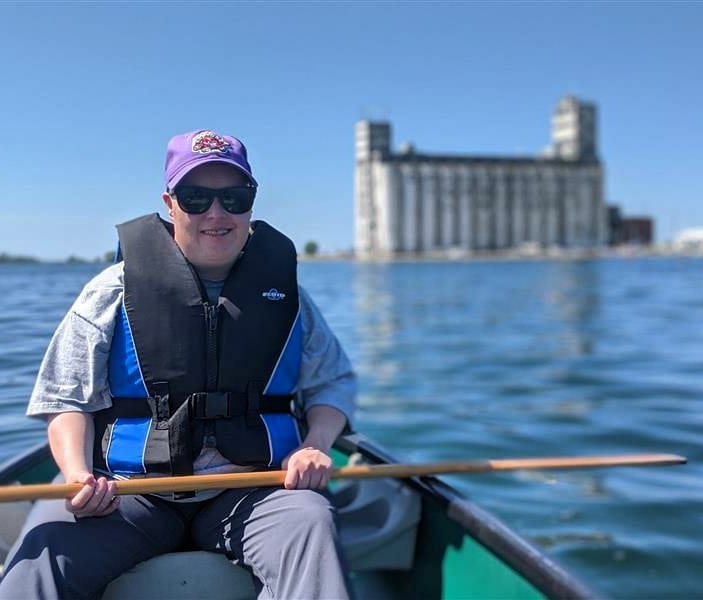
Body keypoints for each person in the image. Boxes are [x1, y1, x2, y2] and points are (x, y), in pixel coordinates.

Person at [0, 130, 355, 599]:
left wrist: (314, 445)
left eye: (234, 198)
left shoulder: (288, 296)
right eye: (195, 197)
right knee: (44, 549)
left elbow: (331, 385)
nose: (216, 213)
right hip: (127, 493)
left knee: (313, 523)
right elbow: (66, 398)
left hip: (253, 488)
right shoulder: (112, 290)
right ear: (171, 204)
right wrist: (75, 474)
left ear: (251, 204)